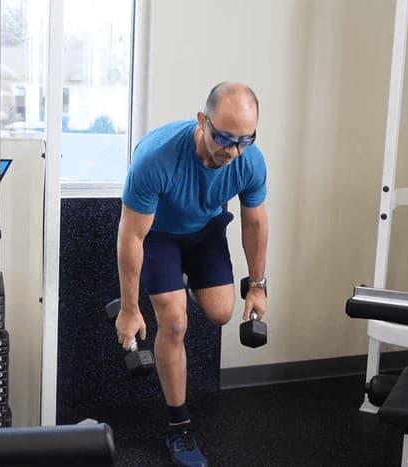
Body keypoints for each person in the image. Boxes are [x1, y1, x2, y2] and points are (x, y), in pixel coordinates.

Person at [116, 81, 268, 467]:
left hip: (205, 232)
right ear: (203, 121)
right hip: (159, 236)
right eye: (224, 138)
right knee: (175, 323)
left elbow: (254, 223)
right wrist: (131, 308)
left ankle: (162, 288)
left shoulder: (248, 161)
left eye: (244, 141)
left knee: (220, 312)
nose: (232, 151)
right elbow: (132, 235)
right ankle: (179, 427)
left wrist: (258, 286)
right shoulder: (156, 158)